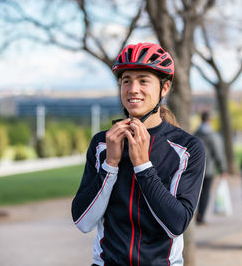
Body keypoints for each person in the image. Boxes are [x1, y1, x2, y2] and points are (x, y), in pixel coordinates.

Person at [71, 42, 205, 266]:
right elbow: (83, 222)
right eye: (126, 81)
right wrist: (110, 165)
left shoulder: (187, 148)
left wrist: (143, 166)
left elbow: (177, 223)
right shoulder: (101, 144)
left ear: (164, 88)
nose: (133, 89)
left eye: (143, 80)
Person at [194, 111, 228, 225]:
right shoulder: (213, 135)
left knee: (194, 192)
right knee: (205, 193)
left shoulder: (196, 133)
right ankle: (201, 216)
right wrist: (223, 169)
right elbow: (218, 153)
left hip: (196, 168)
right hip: (209, 169)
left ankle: (193, 214)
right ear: (209, 120)